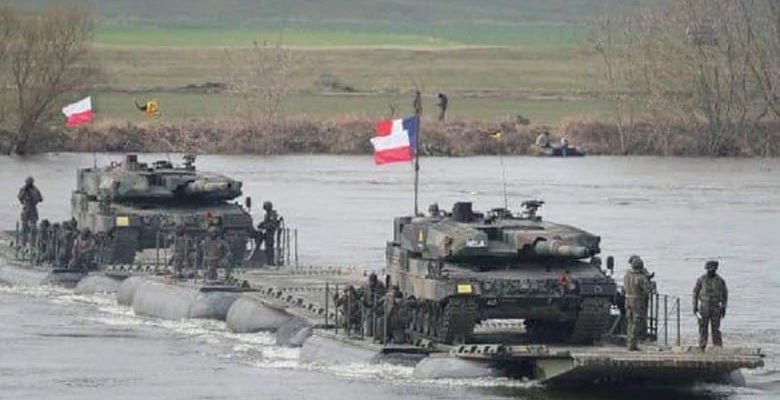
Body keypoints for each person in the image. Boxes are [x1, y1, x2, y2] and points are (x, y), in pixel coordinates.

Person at [693, 260, 728, 350]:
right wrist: (695, 306)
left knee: (716, 328)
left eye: (713, 270)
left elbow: (725, 294)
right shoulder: (701, 280)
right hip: (704, 306)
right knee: (702, 327)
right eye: (709, 270)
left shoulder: (720, 280)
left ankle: (718, 346)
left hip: (716, 307)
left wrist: (724, 307)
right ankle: (702, 346)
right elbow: (695, 293)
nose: (710, 271)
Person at [623, 257, 653, 351]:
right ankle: (632, 344)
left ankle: (630, 343)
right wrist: (649, 280)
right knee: (637, 323)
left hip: (628, 300)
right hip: (637, 302)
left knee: (630, 322)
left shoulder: (627, 275)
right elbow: (648, 289)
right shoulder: (641, 278)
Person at [18, 176, 43, 248]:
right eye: (27, 182)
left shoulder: (35, 189)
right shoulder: (23, 189)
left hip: (33, 209)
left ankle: (33, 244)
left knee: (33, 228)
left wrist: (35, 199)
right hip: (26, 208)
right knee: (24, 227)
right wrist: (24, 194)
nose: (28, 183)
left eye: (30, 182)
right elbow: (19, 197)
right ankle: (23, 243)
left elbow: (40, 198)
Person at [361, 273, 387, 337]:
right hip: (368, 304)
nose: (371, 283)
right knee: (368, 317)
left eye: (372, 281)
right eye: (370, 281)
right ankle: (369, 332)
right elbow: (364, 293)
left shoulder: (379, 285)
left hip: (377, 305)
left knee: (375, 319)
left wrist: (377, 302)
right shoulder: (367, 285)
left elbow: (381, 295)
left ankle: (374, 334)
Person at [258, 201, 281, 266]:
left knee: (270, 248)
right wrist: (261, 224)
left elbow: (272, 224)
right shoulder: (267, 214)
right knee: (267, 247)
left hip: (270, 233)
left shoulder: (272, 214)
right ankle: (268, 261)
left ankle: (271, 262)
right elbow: (266, 222)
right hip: (267, 232)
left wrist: (264, 226)